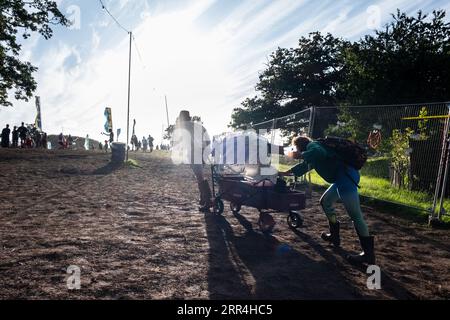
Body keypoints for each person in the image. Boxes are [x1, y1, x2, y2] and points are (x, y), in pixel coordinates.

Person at [279, 135, 375, 265]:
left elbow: (319, 153)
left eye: (295, 147)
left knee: (355, 215)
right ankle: (334, 236)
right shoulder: (313, 154)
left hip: (346, 178)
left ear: (299, 146)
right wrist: (283, 173)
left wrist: (300, 155)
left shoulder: (313, 147)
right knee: (325, 202)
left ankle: (368, 255)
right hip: (342, 178)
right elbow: (303, 167)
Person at [172, 110, 212, 212]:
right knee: (200, 176)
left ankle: (208, 200)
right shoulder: (198, 125)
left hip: (195, 153)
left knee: (199, 177)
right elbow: (208, 141)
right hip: (201, 152)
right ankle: (204, 198)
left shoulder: (183, 125)